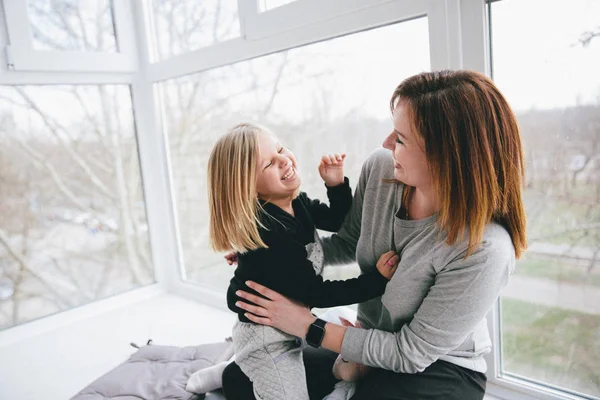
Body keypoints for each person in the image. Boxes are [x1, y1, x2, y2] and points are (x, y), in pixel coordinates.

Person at [226, 70, 528, 400]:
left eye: (400, 138)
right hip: (366, 341)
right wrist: (268, 254)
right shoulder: (382, 169)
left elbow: (410, 352)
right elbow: (344, 244)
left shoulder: (485, 248)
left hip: (437, 367)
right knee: (239, 379)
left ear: (446, 157)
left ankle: (353, 377)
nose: (386, 143)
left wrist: (305, 325)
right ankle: (351, 375)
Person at [200, 123, 398, 400]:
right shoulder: (271, 233)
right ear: (248, 188)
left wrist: (336, 185)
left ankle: (230, 371)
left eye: (280, 149)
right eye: (269, 163)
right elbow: (315, 292)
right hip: (267, 341)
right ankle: (232, 371)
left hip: (288, 326)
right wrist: (375, 282)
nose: (284, 159)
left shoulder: (295, 203)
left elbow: (337, 221)